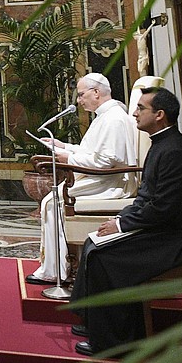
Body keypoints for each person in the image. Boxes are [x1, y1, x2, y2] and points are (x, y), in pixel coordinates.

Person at [70, 87, 182, 356]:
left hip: (179, 240)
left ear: (159, 115)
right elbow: (148, 197)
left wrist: (121, 225)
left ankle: (116, 342)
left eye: (141, 108)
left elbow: (163, 207)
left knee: (105, 256)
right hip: (165, 230)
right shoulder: (162, 144)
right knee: (94, 242)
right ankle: (95, 322)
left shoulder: (174, 151)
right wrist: (121, 218)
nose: (134, 113)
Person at [26, 73, 139, 285]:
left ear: (96, 92)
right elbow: (93, 152)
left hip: (110, 183)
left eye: (81, 94)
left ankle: (55, 271)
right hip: (101, 179)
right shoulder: (105, 116)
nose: (78, 100)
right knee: (51, 199)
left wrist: (68, 157)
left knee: (51, 202)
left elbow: (106, 162)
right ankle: (59, 265)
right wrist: (64, 147)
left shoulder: (114, 119)